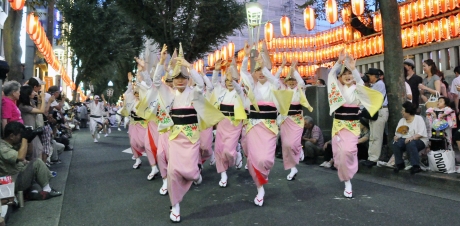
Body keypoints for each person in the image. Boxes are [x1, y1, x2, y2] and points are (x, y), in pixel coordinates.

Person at [153, 44, 224, 222]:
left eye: (184, 77)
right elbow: (156, 83)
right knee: (173, 171)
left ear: (188, 79)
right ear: (172, 79)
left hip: (191, 137)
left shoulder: (195, 92)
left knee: (191, 172)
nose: (180, 80)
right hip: (175, 137)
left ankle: (196, 174)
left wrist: (188, 65)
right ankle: (175, 206)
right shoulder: (169, 93)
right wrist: (162, 62)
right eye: (177, 77)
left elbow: (200, 82)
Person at [327, 50, 384, 198]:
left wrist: (353, 69)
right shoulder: (336, 89)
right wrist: (338, 63)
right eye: (344, 74)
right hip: (338, 126)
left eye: (349, 74)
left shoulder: (357, 89)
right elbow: (330, 76)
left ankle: (348, 182)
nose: (347, 76)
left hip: (352, 126)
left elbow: (359, 82)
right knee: (338, 155)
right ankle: (345, 177)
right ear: (339, 77)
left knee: (348, 151)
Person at [240, 42, 281, 206]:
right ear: (254, 73)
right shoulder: (251, 86)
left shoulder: (274, 85)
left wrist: (264, 67)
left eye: (263, 70)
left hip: (269, 127)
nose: (261, 73)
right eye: (257, 70)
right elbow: (243, 72)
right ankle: (260, 189)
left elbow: (275, 81)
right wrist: (245, 57)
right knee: (254, 159)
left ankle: (263, 178)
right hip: (253, 127)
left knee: (266, 160)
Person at [0, 121, 61, 199]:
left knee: (36, 182)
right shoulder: (2, 148)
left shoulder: (11, 143)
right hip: (12, 182)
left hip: (18, 175)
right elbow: (20, 157)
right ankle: (47, 190)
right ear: (11, 136)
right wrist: (25, 139)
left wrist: (29, 139)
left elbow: (29, 152)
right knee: (37, 162)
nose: (21, 137)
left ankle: (32, 193)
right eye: (20, 135)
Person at [211, 59, 245, 187]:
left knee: (228, 151)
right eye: (228, 80)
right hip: (222, 123)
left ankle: (236, 153)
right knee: (219, 150)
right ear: (224, 82)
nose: (230, 82)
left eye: (233, 80)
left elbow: (238, 88)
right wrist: (216, 70)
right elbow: (214, 82)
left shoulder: (239, 93)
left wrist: (234, 80)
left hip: (234, 124)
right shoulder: (221, 92)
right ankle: (223, 175)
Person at [279, 61, 314, 179]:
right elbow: (274, 81)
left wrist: (294, 71)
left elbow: (301, 82)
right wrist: (282, 68)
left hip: (297, 119)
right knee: (286, 145)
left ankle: (299, 149)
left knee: (293, 143)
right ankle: (292, 168)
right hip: (285, 120)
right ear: (286, 81)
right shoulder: (283, 90)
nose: (292, 82)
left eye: (293, 80)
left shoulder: (300, 90)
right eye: (289, 80)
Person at [362, 68, 388, 167]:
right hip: (375, 111)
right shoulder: (375, 85)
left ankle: (373, 159)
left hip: (380, 111)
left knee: (376, 137)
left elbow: (370, 96)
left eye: (369, 76)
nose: (368, 78)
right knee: (372, 136)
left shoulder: (380, 84)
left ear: (374, 76)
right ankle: (370, 157)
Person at [392, 101, 428, 174]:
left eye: (403, 110)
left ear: (408, 111)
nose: (402, 112)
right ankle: (399, 164)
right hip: (405, 139)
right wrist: (396, 137)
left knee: (411, 144)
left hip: (419, 140)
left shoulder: (418, 118)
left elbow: (421, 133)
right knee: (396, 143)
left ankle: (415, 166)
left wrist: (411, 138)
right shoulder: (402, 120)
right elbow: (399, 133)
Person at [17, 85, 51, 162]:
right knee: (35, 152)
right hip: (29, 130)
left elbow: (38, 110)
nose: (35, 93)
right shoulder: (23, 106)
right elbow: (41, 111)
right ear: (27, 94)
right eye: (32, 92)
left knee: (39, 149)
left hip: (34, 129)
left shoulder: (31, 102)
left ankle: (39, 169)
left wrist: (39, 101)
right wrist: (42, 98)